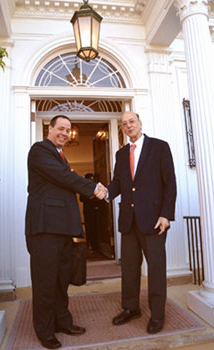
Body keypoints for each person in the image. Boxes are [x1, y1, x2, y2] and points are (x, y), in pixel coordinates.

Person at [25, 115, 106, 349]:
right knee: (45, 283)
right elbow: (63, 177)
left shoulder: (60, 155)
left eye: (68, 130)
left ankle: (63, 322)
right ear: (49, 129)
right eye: (60, 128)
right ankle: (45, 330)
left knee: (61, 281)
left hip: (61, 231)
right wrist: (93, 187)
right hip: (44, 230)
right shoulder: (40, 150)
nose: (65, 133)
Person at [105, 111, 176, 334]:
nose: (128, 126)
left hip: (155, 221)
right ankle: (131, 308)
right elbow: (118, 184)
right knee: (129, 269)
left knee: (155, 269)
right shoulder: (120, 154)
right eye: (124, 124)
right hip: (128, 221)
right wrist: (102, 192)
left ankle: (157, 314)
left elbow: (170, 183)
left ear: (140, 123)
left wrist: (166, 214)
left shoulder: (160, 147)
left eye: (131, 122)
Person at [79, 173, 99, 252]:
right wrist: (90, 197)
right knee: (89, 228)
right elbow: (81, 199)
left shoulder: (96, 187)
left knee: (96, 228)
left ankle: (96, 246)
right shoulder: (84, 188)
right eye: (90, 179)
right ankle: (90, 244)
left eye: (92, 179)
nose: (91, 180)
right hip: (88, 211)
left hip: (96, 212)